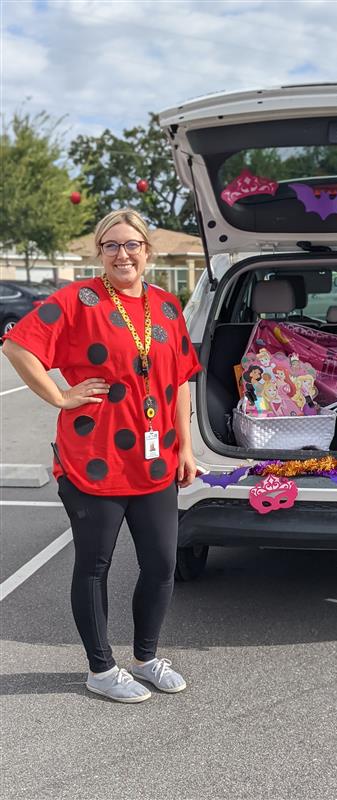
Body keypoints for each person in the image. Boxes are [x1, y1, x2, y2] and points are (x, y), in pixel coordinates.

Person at [2, 209, 202, 704]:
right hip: (94, 461)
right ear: (99, 251)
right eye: (111, 245)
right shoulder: (77, 300)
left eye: (131, 244)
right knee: (94, 566)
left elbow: (179, 381)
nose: (122, 254)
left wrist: (187, 446)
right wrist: (60, 397)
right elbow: (17, 346)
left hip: (156, 461)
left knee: (160, 564)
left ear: (148, 251)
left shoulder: (168, 306)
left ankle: (146, 657)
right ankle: (100, 669)